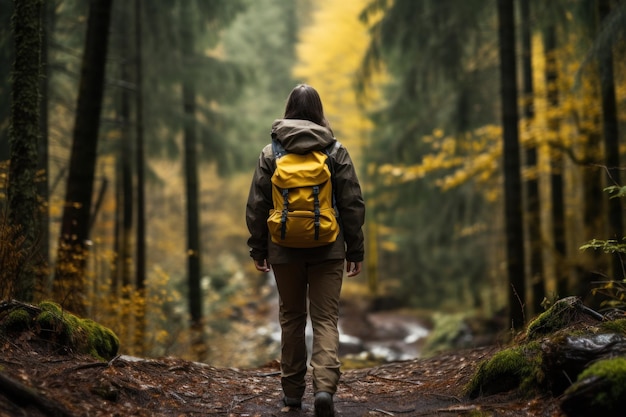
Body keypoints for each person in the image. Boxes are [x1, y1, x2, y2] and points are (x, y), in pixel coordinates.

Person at [246, 84, 365, 417]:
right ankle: (324, 388)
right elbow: (352, 202)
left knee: (292, 319)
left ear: (288, 110)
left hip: (283, 248)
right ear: (318, 111)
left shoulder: (271, 153)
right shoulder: (335, 150)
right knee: (325, 319)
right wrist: (355, 250)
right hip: (328, 247)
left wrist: (258, 249)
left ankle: (293, 396)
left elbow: (257, 205)